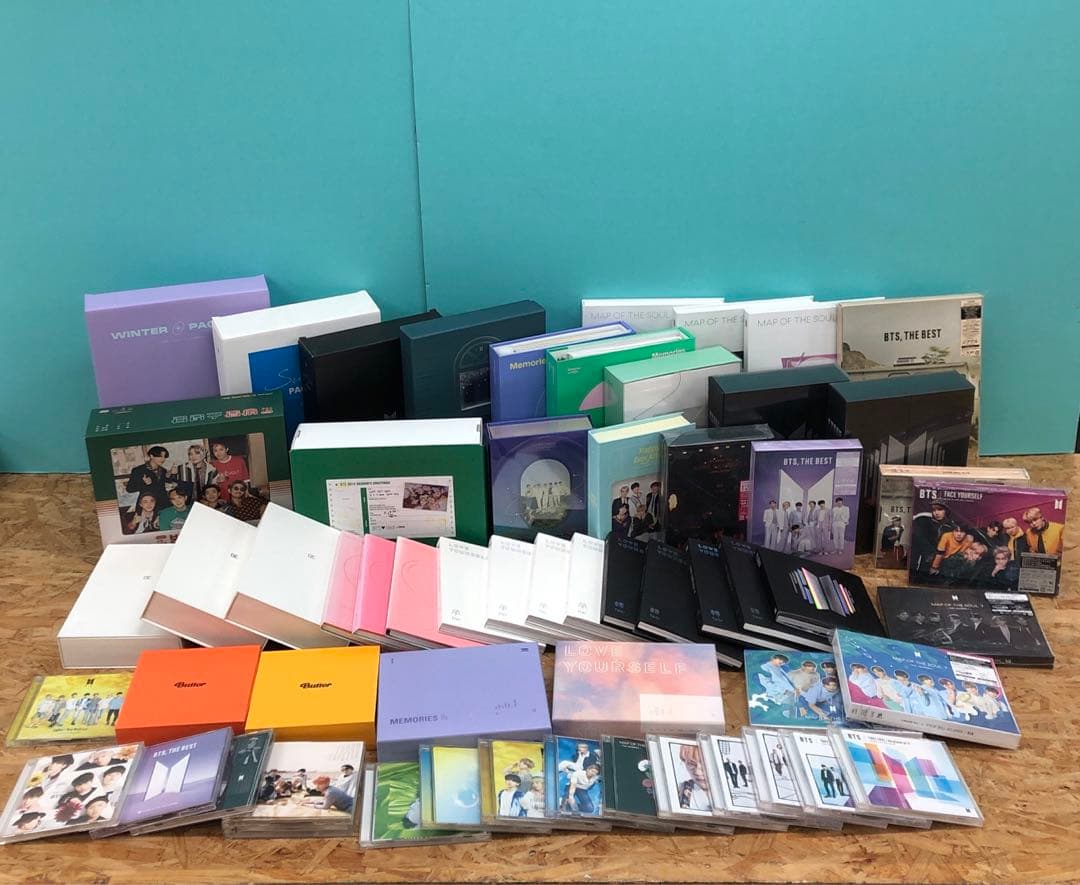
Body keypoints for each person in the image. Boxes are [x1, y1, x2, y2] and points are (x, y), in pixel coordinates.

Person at [910, 501, 955, 572]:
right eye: (934, 510)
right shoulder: (924, 520)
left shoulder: (951, 527)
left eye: (940, 509)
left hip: (939, 560)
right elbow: (917, 537)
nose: (936, 513)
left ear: (946, 511)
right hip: (922, 555)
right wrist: (929, 552)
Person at [125, 446, 171, 511]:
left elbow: (167, 484)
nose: (163, 459)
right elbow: (129, 489)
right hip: (147, 505)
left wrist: (170, 475)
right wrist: (143, 483)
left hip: (163, 504)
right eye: (160, 456)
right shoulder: (139, 470)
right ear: (151, 456)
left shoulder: (164, 470)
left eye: (164, 457)